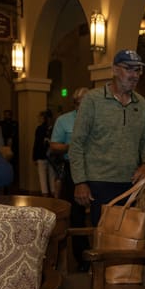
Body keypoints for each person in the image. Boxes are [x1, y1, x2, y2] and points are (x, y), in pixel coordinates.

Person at [70, 49, 145, 228]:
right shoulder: (92, 100)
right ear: (115, 70)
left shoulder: (141, 103)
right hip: (99, 183)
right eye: (129, 69)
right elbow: (77, 143)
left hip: (132, 184)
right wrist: (80, 182)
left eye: (138, 70)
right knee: (103, 239)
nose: (134, 75)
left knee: (128, 237)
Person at [50, 87, 93, 271]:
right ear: (75, 104)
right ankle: (82, 257)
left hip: (96, 169)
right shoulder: (64, 120)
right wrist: (72, 147)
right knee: (75, 216)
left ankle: (102, 256)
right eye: (80, 103)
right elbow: (54, 145)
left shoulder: (98, 119)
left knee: (101, 213)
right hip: (72, 169)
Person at [33, 109, 56, 196]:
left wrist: (34, 157)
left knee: (42, 179)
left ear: (43, 118)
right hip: (52, 155)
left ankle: (45, 196)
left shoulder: (39, 129)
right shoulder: (54, 128)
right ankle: (54, 197)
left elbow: (37, 144)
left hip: (41, 155)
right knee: (52, 177)